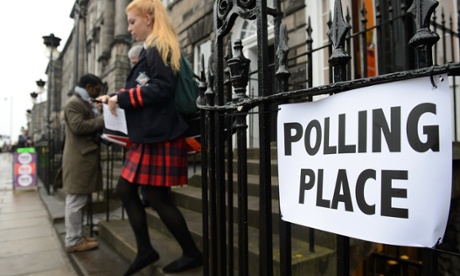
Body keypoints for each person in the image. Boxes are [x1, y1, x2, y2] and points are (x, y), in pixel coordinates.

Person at [97, 0, 203, 274]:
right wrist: (114, 97)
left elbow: (161, 88)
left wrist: (121, 97)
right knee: (131, 190)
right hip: (153, 134)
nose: (129, 28)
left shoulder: (158, 46)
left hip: (161, 134)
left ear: (148, 18)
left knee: (155, 196)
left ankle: (189, 252)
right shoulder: (152, 48)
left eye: (132, 22)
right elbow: (144, 85)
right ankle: (148, 250)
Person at [62, 74, 104, 252]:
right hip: (79, 158)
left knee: (79, 199)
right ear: (88, 86)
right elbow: (78, 126)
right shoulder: (74, 103)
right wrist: (103, 119)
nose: (98, 93)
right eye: (97, 89)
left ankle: (77, 236)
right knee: (75, 200)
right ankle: (73, 241)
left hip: (83, 157)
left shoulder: (82, 101)